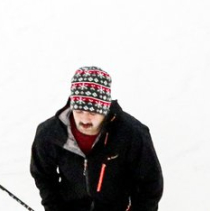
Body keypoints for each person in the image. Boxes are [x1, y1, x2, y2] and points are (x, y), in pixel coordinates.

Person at [30, 66, 163, 211]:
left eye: (93, 112)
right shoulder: (50, 134)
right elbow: (43, 176)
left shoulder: (132, 134)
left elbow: (150, 184)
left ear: (105, 109)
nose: (85, 119)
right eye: (79, 111)